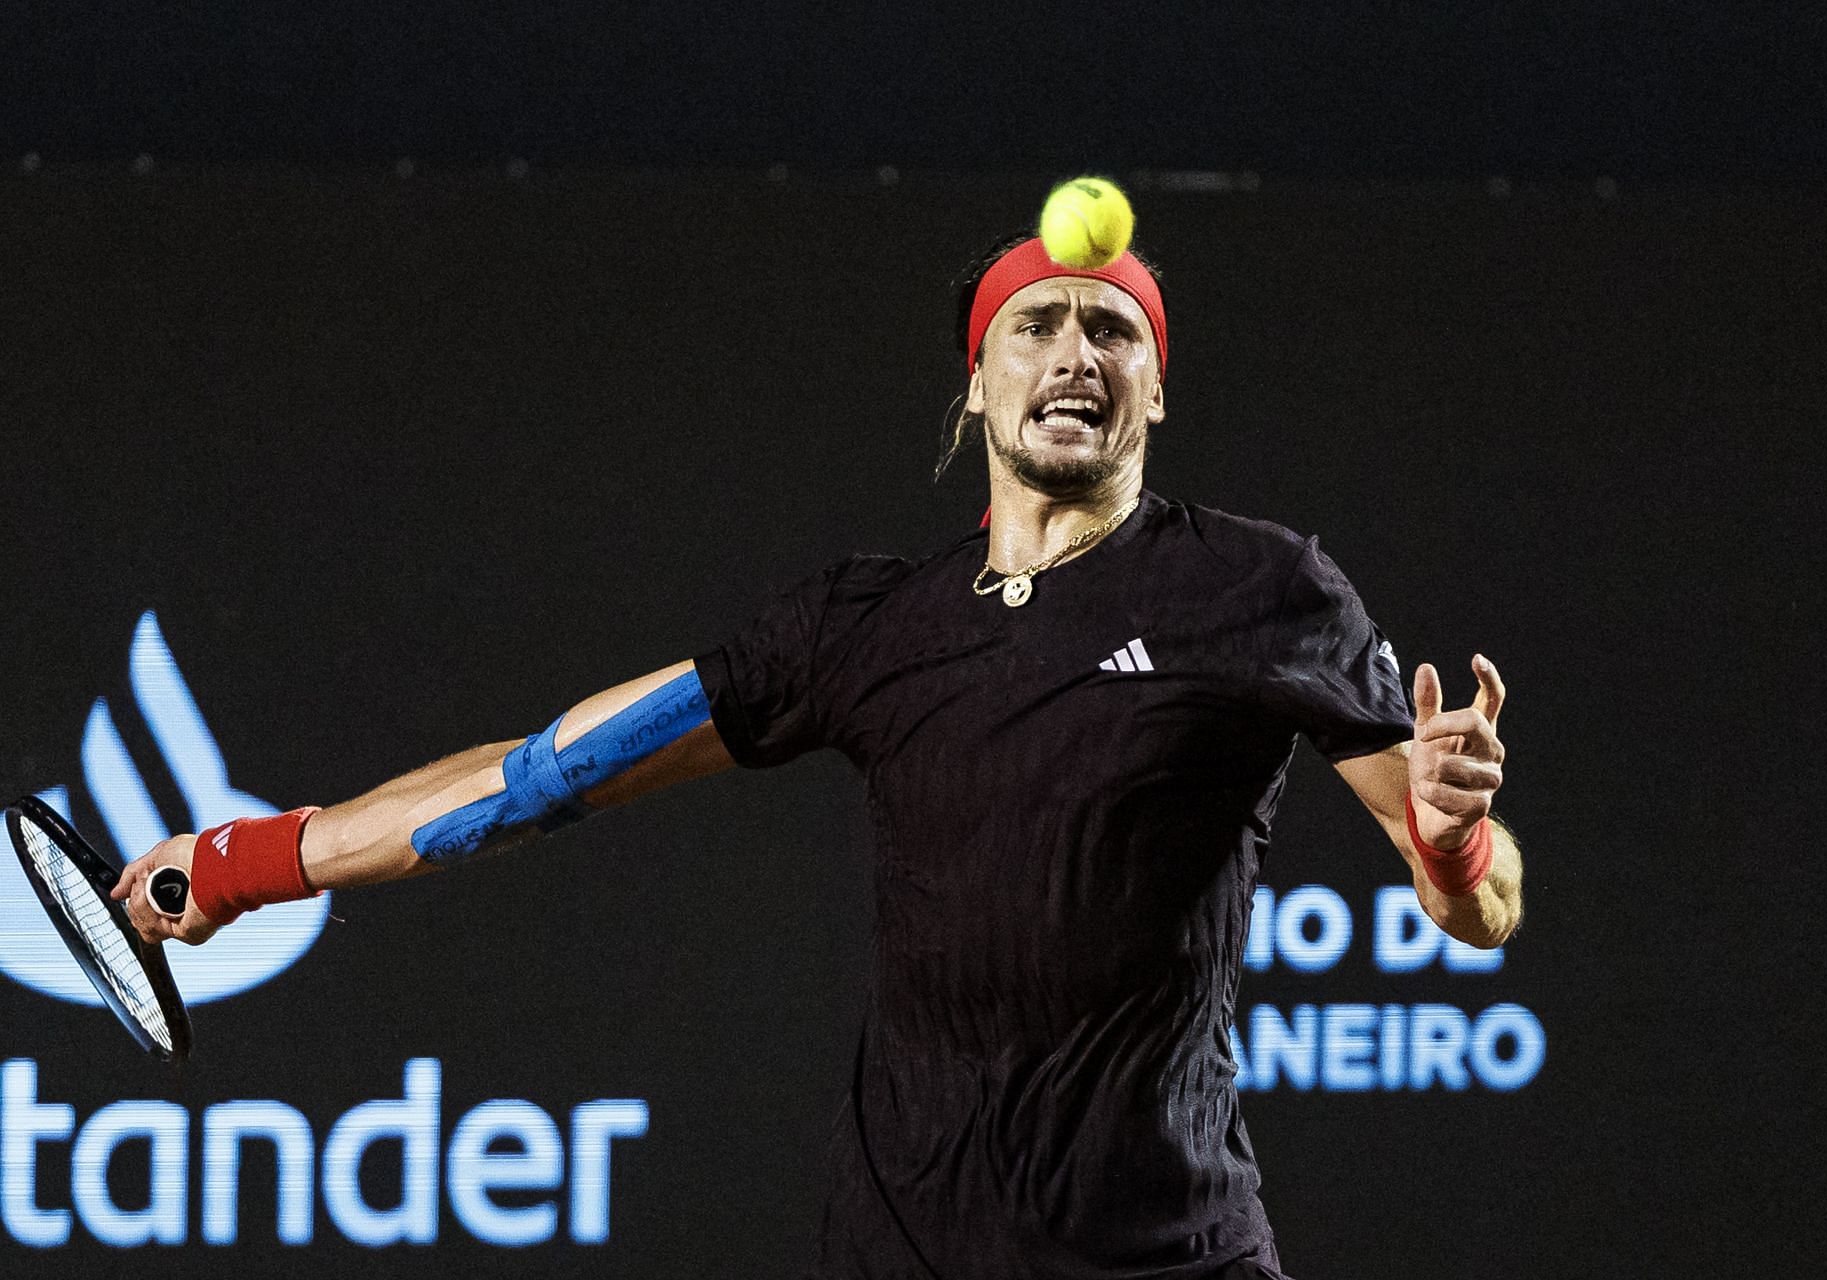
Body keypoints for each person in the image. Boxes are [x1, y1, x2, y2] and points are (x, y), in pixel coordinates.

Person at [115, 233, 1522, 1279]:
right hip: (901, 1251)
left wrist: (1455, 832)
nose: (1077, 353)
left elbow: (1476, 905)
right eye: (1037, 325)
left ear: (1156, 392)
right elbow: (543, 773)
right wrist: (246, 863)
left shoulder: (1258, 591)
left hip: (1173, 1251)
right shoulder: (864, 628)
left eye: (1116, 331)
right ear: (977, 385)